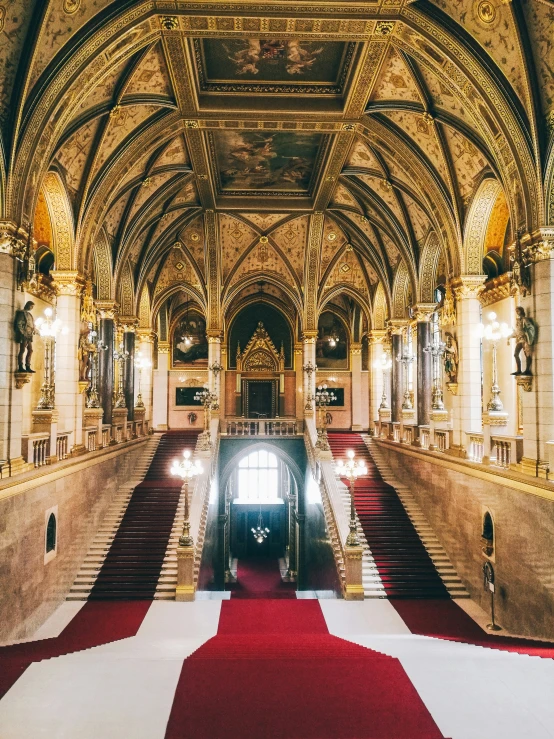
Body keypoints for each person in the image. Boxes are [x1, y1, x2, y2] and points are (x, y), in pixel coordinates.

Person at [512, 306, 536, 375]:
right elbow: (517, 331)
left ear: (522, 311)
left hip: (525, 340)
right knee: (515, 354)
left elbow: (531, 328)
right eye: (516, 311)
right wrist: (510, 336)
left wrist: (526, 334)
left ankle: (527, 370)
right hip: (519, 340)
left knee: (527, 355)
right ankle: (519, 370)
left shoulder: (525, 319)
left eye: (518, 311)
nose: (517, 312)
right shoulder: (518, 320)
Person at [14, 301, 36, 372]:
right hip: (24, 334)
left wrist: (34, 329)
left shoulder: (29, 314)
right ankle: (20, 366)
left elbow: (32, 324)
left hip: (29, 335)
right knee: (22, 350)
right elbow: (19, 324)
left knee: (30, 350)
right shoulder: (22, 313)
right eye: (31, 306)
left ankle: (28, 366)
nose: (32, 308)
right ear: (28, 305)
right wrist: (23, 332)